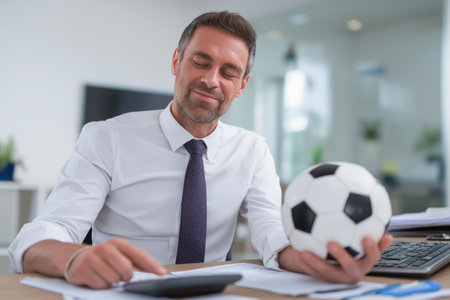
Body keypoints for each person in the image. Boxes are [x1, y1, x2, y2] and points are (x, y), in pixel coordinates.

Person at [9, 11, 393, 289]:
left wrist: (311, 262)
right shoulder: (106, 138)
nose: (212, 80)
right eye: (200, 62)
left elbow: (269, 230)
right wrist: (73, 256)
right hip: (123, 289)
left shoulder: (252, 149)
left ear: (241, 86)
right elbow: (50, 229)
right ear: (177, 62)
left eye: (228, 72)